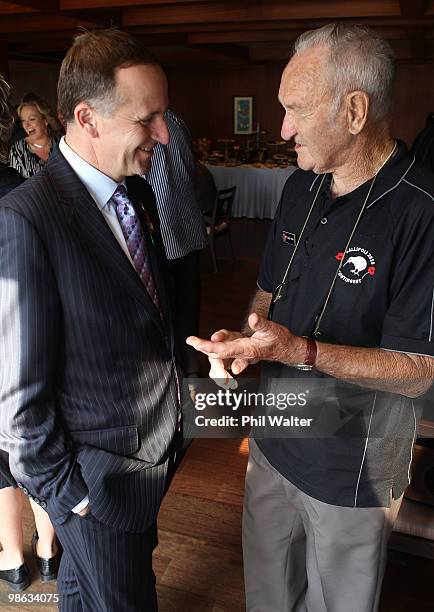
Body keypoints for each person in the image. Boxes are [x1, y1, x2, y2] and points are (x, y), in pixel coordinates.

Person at [187, 23, 434, 612]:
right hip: (272, 435)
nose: (283, 129)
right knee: (268, 595)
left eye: (295, 109)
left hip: (354, 466)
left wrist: (297, 351)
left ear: (354, 110)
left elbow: (419, 370)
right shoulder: (298, 187)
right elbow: (266, 291)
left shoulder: (422, 211)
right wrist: (250, 339)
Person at [0, 29, 181, 612]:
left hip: (145, 469)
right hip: (95, 488)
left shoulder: (137, 193)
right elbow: (18, 399)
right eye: (148, 119)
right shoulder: (26, 219)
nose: (164, 134)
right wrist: (69, 498)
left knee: (81, 597)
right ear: (88, 117)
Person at [0, 74, 59, 592]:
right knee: (27, 446)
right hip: (23, 341)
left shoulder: (21, 194)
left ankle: (15, 559)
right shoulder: (23, 193)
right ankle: (45, 547)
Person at [145, 108, 208, 379]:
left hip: (163, 231)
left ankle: (176, 375)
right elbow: (194, 173)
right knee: (188, 306)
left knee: (166, 312)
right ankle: (191, 367)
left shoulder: (141, 125)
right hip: (189, 227)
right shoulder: (177, 121)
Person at [9, 95, 62, 178]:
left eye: (32, 119)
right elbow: (16, 186)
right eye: (23, 120)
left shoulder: (61, 143)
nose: (26, 125)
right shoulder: (18, 150)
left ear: (45, 121)